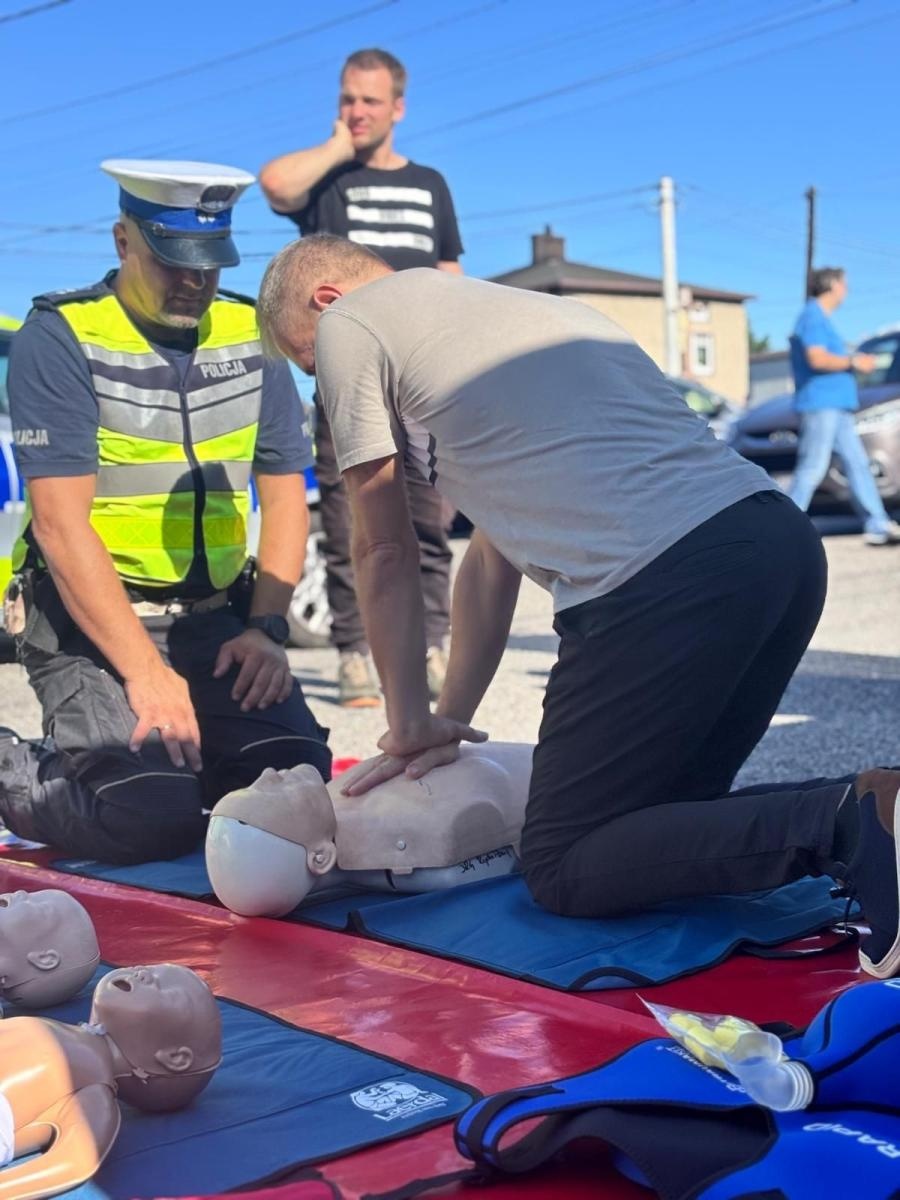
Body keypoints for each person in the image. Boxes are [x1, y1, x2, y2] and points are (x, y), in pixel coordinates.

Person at [255, 234, 900, 980]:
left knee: (564, 863)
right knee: (657, 831)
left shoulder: (352, 323)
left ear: (325, 302)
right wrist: (440, 726)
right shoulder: (516, 319)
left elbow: (383, 549)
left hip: (663, 576)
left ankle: (853, 824)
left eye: (307, 365)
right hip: (777, 545)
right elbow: (488, 567)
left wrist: (402, 722)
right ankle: (881, 808)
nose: (320, 386)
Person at [0, 159, 331, 866]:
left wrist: (267, 628)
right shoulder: (59, 337)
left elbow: (282, 494)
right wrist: (144, 671)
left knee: (298, 783)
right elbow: (60, 526)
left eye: (209, 263)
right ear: (124, 242)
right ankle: (13, 767)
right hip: (95, 628)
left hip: (215, 620)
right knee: (151, 820)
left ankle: (189, 765)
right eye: (173, 261)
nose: (195, 282)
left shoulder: (250, 332)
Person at [259, 47, 463, 707]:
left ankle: (432, 643)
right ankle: (356, 653)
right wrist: (337, 146)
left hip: (421, 381)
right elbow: (274, 186)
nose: (357, 112)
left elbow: (450, 273)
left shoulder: (430, 183)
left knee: (427, 519)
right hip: (345, 383)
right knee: (352, 521)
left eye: (370, 101)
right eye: (348, 99)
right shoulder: (327, 183)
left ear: (398, 107)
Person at [0, 963, 220, 1197]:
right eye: (147, 967)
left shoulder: (95, 1095)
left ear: (175, 1058)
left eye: (169, 990)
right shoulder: (57, 1030)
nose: (142, 973)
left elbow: (71, 1164)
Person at [787, 266, 900, 545]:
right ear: (832, 285)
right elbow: (816, 358)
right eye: (844, 284)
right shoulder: (812, 316)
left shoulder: (821, 319)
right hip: (822, 405)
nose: (846, 290)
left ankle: (877, 523)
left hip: (837, 407)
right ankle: (784, 527)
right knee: (813, 466)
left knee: (858, 464)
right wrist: (853, 361)